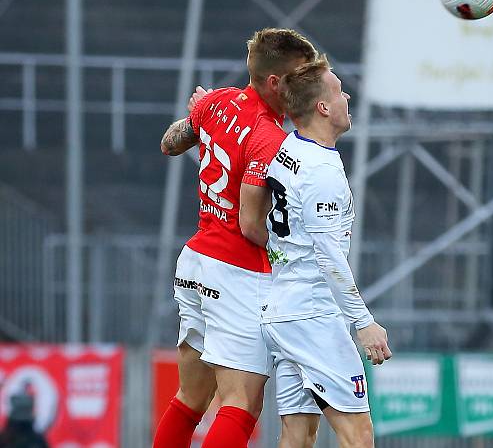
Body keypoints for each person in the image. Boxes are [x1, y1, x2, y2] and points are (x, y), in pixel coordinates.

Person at [155, 28, 320, 448]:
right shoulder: (269, 138)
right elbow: (250, 225)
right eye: (300, 77)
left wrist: (202, 115)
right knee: (241, 403)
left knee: (190, 397)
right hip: (236, 272)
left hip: (196, 261)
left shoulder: (218, 101)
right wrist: (294, 255)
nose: (309, 86)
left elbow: (170, 143)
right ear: (274, 83)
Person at [262, 56, 392, 448]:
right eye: (338, 91)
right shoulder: (322, 172)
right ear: (323, 107)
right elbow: (329, 256)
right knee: (358, 434)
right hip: (314, 315)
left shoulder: (289, 149)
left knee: (297, 435)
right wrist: (364, 323)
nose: (346, 96)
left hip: (281, 312)